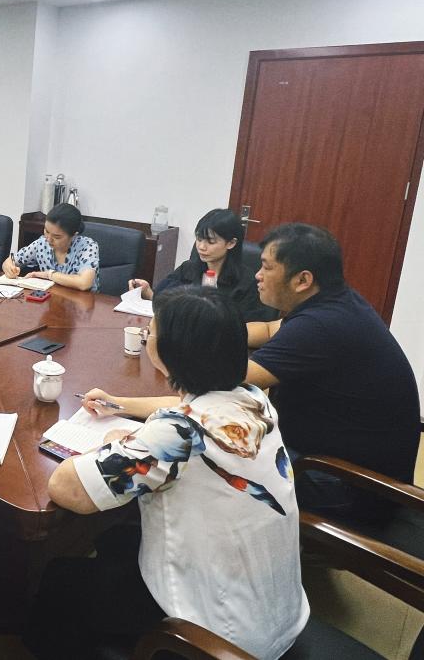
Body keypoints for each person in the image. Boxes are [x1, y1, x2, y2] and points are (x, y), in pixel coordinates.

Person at [28, 286, 308, 659]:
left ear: (170, 352)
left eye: (152, 331)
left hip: (216, 637)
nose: (147, 335)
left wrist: (114, 444)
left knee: (59, 578)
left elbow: (65, 489)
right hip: (274, 613)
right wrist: (122, 406)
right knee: (119, 539)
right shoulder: (254, 399)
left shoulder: (178, 433)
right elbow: (189, 407)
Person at [244, 223, 420, 522]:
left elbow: (230, 377)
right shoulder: (336, 303)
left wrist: (169, 340)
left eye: (266, 267)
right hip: (343, 468)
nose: (257, 275)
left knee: (219, 455)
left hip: (347, 486)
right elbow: (269, 330)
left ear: (303, 280)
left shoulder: (320, 326)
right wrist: (211, 329)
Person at [128, 208, 272, 321]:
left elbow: (247, 326)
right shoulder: (188, 269)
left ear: (231, 243)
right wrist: (148, 292)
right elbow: (163, 300)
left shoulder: (246, 282)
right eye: (199, 239)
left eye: (210, 241)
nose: (201, 247)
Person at [1, 203, 99, 291]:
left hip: (81, 302)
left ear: (73, 235)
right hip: (51, 300)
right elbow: (11, 260)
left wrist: (49, 275)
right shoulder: (42, 244)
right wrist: (9, 268)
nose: (48, 239)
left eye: (57, 237)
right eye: (47, 231)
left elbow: (84, 283)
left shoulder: (87, 246)